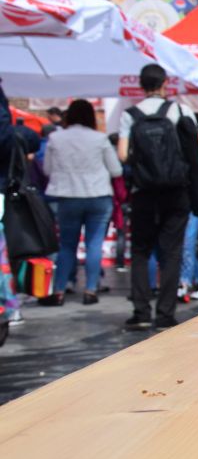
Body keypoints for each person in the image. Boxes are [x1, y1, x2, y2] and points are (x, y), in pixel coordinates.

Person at [117, 63, 198, 330]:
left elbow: (122, 155)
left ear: (141, 85)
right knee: (172, 251)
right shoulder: (179, 110)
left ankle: (141, 311)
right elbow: (197, 150)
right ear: (165, 83)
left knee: (141, 251)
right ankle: (165, 313)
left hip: (143, 191)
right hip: (176, 192)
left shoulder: (130, 114)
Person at [39, 100, 121, 307]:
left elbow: (47, 169)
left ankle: (59, 290)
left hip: (68, 196)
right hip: (98, 195)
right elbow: (116, 170)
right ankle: (90, 289)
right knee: (94, 245)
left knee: (67, 245)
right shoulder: (100, 138)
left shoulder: (55, 138)